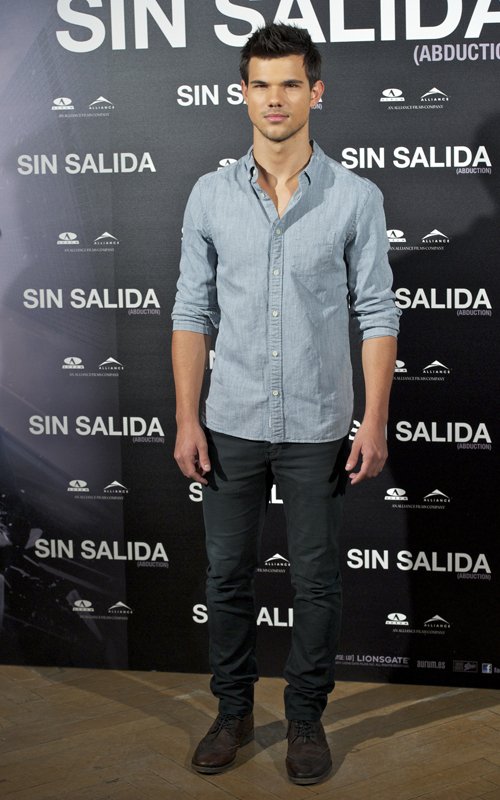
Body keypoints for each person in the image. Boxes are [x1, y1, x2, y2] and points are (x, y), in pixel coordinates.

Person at [171, 22, 400, 785]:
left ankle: (305, 718)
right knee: (226, 577)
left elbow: (378, 313)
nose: (276, 99)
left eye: (290, 84)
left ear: (315, 92)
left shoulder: (356, 197)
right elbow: (191, 312)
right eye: (262, 85)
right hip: (229, 421)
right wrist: (186, 417)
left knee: (317, 582)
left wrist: (374, 418)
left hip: (317, 422)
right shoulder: (209, 196)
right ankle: (233, 712)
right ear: (243, 94)